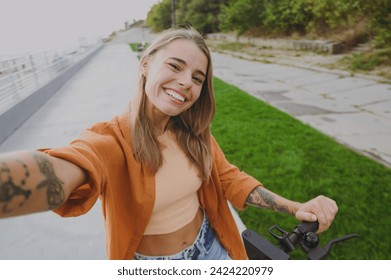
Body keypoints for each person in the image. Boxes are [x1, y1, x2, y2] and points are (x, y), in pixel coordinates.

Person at [0, 27, 338, 260]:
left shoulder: (194, 133)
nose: (185, 83)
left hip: (212, 247)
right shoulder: (110, 142)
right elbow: (65, 168)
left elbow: (228, 178)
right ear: (145, 64)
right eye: (174, 66)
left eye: (197, 77)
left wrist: (295, 207)